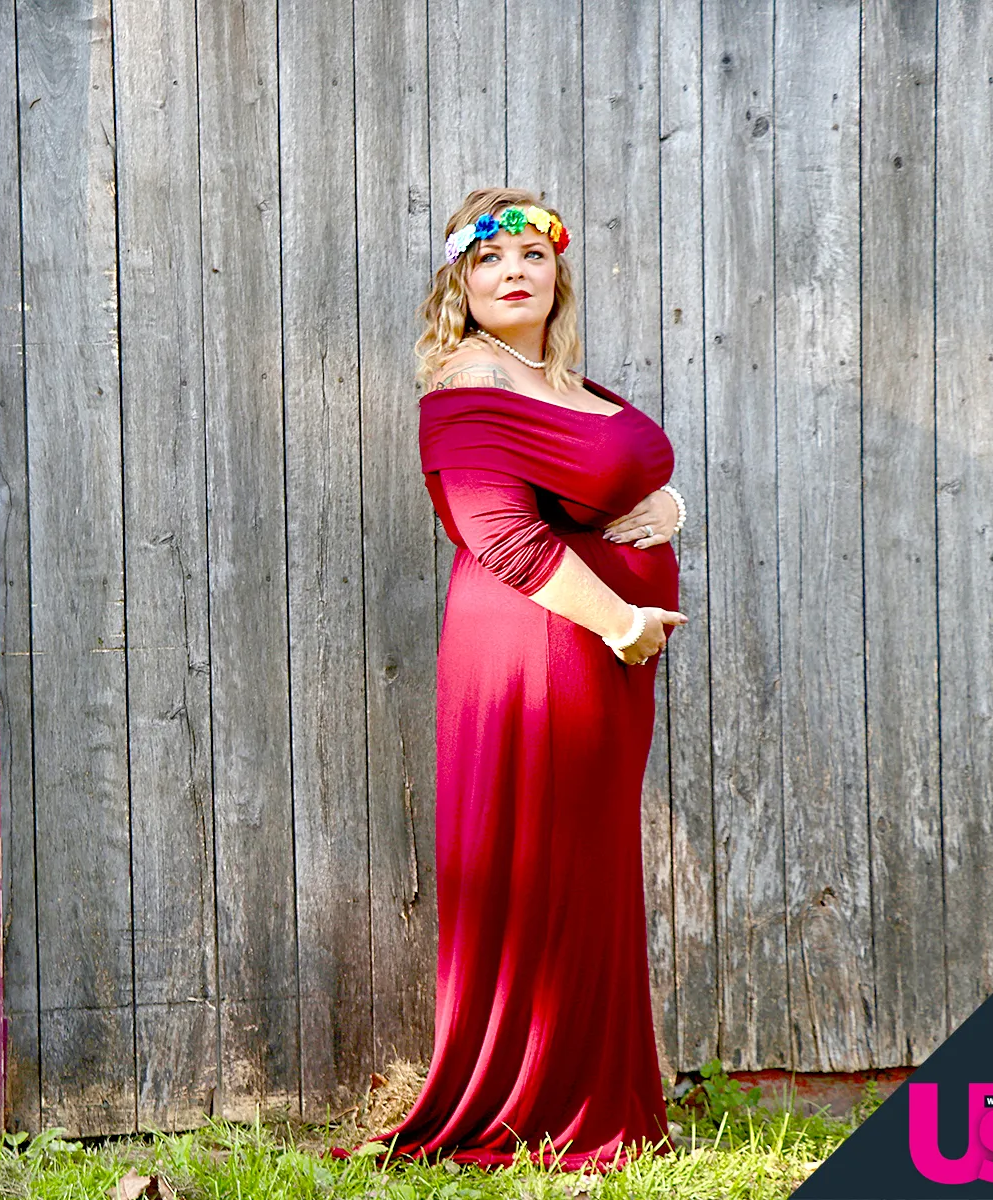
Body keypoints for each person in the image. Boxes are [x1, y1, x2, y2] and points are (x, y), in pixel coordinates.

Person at [373, 187, 687, 1170]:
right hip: (539, 652)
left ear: (558, 274)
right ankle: (536, 1105)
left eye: (531, 256)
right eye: (488, 259)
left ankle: (597, 1095)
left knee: (590, 869)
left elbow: (621, 474)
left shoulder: (556, 377)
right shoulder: (467, 379)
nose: (513, 271)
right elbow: (503, 537)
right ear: (460, 287)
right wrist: (624, 622)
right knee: (543, 869)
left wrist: (669, 507)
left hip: (599, 656)